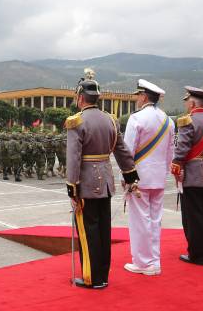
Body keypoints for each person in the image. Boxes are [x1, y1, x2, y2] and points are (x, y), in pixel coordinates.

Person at [66, 69, 137, 289]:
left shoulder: (76, 121)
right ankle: (103, 275)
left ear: (80, 98)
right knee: (104, 230)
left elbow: (73, 158)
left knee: (88, 232)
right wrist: (130, 175)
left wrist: (72, 188)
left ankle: (91, 278)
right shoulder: (110, 120)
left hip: (86, 183)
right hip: (105, 182)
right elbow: (122, 151)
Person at [122, 79, 175, 276]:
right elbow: (170, 152)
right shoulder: (168, 121)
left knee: (140, 221)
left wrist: (126, 176)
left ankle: (143, 263)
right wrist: (164, 172)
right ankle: (154, 261)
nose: (137, 99)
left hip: (139, 178)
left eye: (138, 95)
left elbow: (127, 151)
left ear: (144, 97)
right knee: (155, 220)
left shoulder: (136, 118)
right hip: (159, 177)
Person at [171, 86, 203, 266]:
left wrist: (177, 170)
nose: (186, 104)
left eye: (187, 101)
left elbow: (181, 150)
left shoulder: (187, 121)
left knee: (194, 217)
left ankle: (196, 255)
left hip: (192, 175)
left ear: (193, 103)